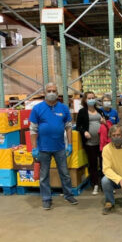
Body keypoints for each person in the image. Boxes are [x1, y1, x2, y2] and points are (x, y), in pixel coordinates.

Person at [29, 82, 78, 210]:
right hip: (43, 148)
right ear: (45, 93)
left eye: (54, 91)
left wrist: (70, 144)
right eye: (49, 90)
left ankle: (68, 194)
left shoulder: (63, 108)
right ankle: (46, 198)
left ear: (57, 93)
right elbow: (33, 130)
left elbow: (68, 127)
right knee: (44, 175)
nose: (52, 93)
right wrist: (34, 148)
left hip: (60, 147)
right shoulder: (37, 109)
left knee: (65, 173)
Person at [76, 91, 106, 196]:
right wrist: (84, 131)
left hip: (101, 142)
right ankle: (95, 184)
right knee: (93, 164)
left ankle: (104, 184)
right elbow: (78, 125)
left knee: (104, 164)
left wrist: (104, 122)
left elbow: (105, 124)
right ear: (85, 100)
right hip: (89, 143)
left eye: (93, 97)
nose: (91, 99)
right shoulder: (82, 112)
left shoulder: (99, 111)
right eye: (89, 98)